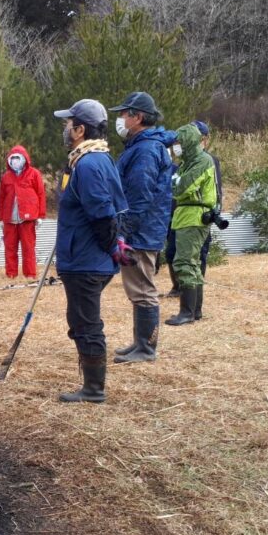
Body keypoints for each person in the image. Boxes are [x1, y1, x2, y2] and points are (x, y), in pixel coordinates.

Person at [53, 99, 130, 403]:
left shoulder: (88, 164)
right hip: (84, 256)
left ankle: (94, 389)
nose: (64, 127)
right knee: (82, 320)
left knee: (86, 323)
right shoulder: (94, 159)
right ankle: (91, 385)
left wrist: (112, 246)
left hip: (86, 260)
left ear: (80, 129)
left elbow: (102, 213)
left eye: (68, 123)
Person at [108, 91, 173, 364]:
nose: (121, 119)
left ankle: (146, 348)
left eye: (124, 114)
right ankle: (139, 342)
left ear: (138, 117)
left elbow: (139, 195)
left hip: (142, 231)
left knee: (143, 288)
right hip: (143, 228)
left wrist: (124, 231)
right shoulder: (140, 146)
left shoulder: (146, 149)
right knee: (137, 288)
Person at [165, 124, 217, 326]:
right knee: (191, 263)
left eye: (178, 142)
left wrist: (174, 182)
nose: (176, 147)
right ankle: (194, 310)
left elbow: (180, 187)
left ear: (188, 142)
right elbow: (176, 184)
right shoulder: (188, 162)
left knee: (185, 262)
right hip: (186, 214)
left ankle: (187, 312)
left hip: (195, 215)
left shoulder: (202, 161)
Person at [0, 145, 46, 280]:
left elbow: (41, 194)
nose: (15, 161)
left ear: (24, 159)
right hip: (9, 219)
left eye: (18, 158)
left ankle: (30, 274)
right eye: (13, 158)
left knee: (28, 248)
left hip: (27, 218)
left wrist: (40, 215)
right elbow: (1, 198)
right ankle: (11, 273)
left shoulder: (34, 174)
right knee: (10, 248)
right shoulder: (6, 176)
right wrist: (0, 218)